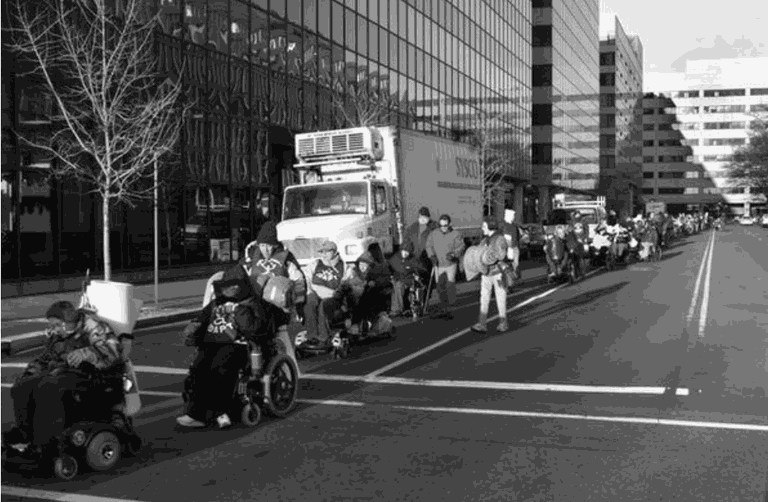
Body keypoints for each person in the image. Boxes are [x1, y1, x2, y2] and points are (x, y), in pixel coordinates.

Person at [6, 301, 122, 455]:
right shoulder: (59, 336)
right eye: (52, 325)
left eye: (57, 325)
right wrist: (28, 374)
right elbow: (45, 359)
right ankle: (25, 433)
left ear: (68, 322)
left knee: (48, 387)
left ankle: (45, 441)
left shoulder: (93, 327)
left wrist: (86, 353)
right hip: (64, 373)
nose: (53, 329)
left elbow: (113, 351)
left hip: (93, 377)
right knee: (22, 387)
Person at [177, 274, 271, 428]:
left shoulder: (249, 304)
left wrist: (237, 311)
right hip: (211, 343)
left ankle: (220, 412)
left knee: (220, 369)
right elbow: (201, 319)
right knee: (198, 370)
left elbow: (254, 330)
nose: (228, 291)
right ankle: (195, 413)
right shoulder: (214, 304)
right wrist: (194, 327)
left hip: (237, 345)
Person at [246, 221, 306, 364]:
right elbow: (240, 276)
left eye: (269, 246)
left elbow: (299, 281)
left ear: (275, 245)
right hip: (255, 302)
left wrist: (299, 304)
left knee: (264, 323)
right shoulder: (250, 257)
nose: (265, 250)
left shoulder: (286, 258)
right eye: (262, 246)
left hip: (279, 306)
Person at [299, 240, 349, 349]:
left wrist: (336, 294)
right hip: (315, 293)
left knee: (324, 305)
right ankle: (311, 335)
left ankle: (323, 337)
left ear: (335, 252)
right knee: (310, 301)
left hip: (333, 297)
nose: (324, 254)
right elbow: (306, 278)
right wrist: (310, 292)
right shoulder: (315, 264)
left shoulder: (343, 266)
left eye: (327, 251)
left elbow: (346, 283)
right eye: (322, 252)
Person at [471, 218, 509, 334]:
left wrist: (488, 258)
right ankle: (482, 324)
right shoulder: (484, 240)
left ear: (490, 227)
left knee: (501, 298)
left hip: (497, 273)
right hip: (486, 273)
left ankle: (503, 323)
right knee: (484, 298)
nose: (482, 229)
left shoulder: (500, 239)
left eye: (484, 226)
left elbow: (502, 255)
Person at [425, 214, 465, 320]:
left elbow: (461, 246)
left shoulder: (456, 234)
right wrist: (431, 256)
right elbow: (429, 245)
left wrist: (453, 254)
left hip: (450, 264)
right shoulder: (434, 233)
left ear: (449, 224)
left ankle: (449, 308)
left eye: (445, 225)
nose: (443, 227)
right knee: (439, 286)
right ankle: (444, 305)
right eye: (441, 225)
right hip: (438, 264)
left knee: (450, 285)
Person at [346, 251, 393, 335]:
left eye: (365, 265)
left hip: (368, 301)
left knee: (368, 297)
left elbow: (383, 283)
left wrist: (372, 284)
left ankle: (366, 323)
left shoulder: (373, 275)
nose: (362, 267)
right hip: (353, 298)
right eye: (361, 264)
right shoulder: (353, 273)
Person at [389, 242, 429, 317]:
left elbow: (422, 269)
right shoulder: (395, 258)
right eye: (404, 251)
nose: (405, 253)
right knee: (397, 285)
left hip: (409, 280)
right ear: (401, 250)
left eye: (407, 252)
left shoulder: (413, 259)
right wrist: (409, 269)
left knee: (400, 286)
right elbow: (399, 269)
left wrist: (415, 271)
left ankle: (399, 309)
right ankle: (396, 309)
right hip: (397, 279)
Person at [502, 208, 522, 280]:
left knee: (513, 265)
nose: (514, 217)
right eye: (513, 215)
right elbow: (508, 239)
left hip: (513, 247)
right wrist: (510, 250)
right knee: (512, 265)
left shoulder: (512, 225)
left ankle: (511, 279)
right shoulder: (508, 226)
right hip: (512, 248)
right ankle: (511, 280)